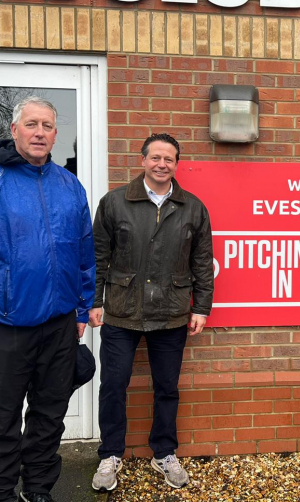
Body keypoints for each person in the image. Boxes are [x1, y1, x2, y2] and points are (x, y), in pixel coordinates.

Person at [0, 96, 95, 502]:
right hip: (2, 328)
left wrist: (81, 307)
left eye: (47, 126)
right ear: (14, 130)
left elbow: (83, 253)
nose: (39, 132)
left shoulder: (69, 185)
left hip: (58, 327)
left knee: (48, 420)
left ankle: (38, 491)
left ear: (56, 134)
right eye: (31, 124)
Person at [89, 133, 214, 491]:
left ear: (177, 164)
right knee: (113, 386)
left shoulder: (193, 207)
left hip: (172, 311)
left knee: (166, 387)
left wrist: (201, 307)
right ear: (142, 160)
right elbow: (98, 257)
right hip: (121, 311)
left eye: (169, 159)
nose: (162, 164)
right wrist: (95, 302)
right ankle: (110, 454)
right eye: (155, 157)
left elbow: (202, 262)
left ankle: (164, 452)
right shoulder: (114, 203)